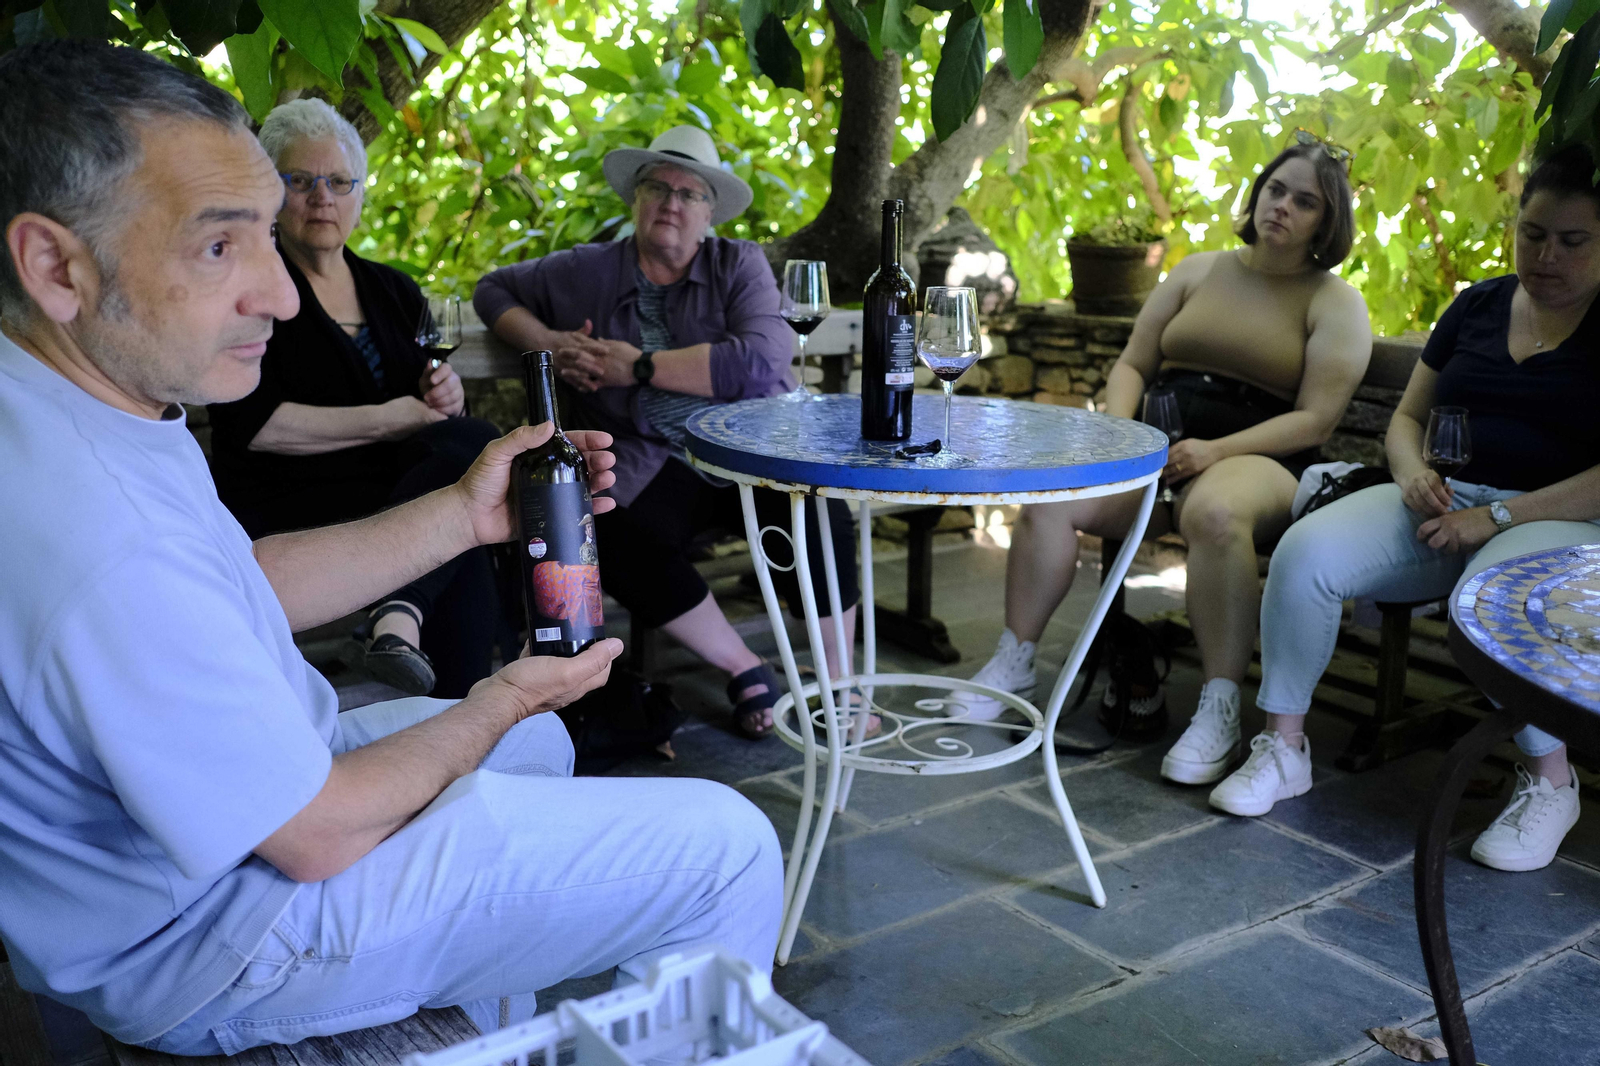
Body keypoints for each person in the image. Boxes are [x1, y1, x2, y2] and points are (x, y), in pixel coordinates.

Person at [0, 41, 781, 1053]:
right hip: (210, 934)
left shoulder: (82, 402)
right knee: (727, 849)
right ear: (54, 266)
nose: (282, 296)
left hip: (220, 823)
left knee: (539, 748)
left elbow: (242, 582)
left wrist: (463, 513)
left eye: (264, 236)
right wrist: (504, 693)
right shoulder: (100, 528)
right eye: (218, 246)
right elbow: (316, 832)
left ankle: (470, 1002)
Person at [951, 136, 1373, 784]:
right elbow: (1133, 363)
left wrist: (1216, 451)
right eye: (1275, 189)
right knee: (1055, 496)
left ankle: (1219, 708)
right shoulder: (1198, 271)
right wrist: (1122, 439)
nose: (1282, 206)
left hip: (1258, 454)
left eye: (1305, 201)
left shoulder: (1334, 301)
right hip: (1158, 445)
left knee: (1214, 513)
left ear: (1327, 221)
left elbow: (1316, 419)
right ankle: (1015, 660)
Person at [1231, 145, 1600, 869]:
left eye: (1572, 241)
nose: (1546, 255)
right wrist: (1409, 474)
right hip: (1441, 502)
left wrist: (1495, 518)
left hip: (1557, 520)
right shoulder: (1478, 306)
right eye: (1532, 234)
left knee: (1496, 600)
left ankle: (1551, 783)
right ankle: (1283, 747)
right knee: (1306, 552)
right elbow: (1407, 418)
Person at [475, 126, 862, 740]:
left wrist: (639, 366)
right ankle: (743, 666)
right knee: (602, 525)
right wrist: (549, 344)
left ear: (710, 213)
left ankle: (841, 684)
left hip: (745, 453)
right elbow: (492, 290)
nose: (671, 203)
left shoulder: (738, 264)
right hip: (649, 460)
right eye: (657, 187)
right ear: (636, 198)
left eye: (689, 193)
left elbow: (762, 359)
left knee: (815, 511)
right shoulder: (587, 269)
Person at [205, 99, 497, 699]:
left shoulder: (393, 289)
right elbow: (255, 427)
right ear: (271, 190)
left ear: (359, 193)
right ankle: (463, 705)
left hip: (390, 492)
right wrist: (391, 419)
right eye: (301, 181)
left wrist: (447, 394)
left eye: (339, 182)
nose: (323, 198)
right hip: (290, 501)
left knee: (465, 460)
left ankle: (403, 631)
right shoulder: (251, 291)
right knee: (458, 511)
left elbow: (432, 408)